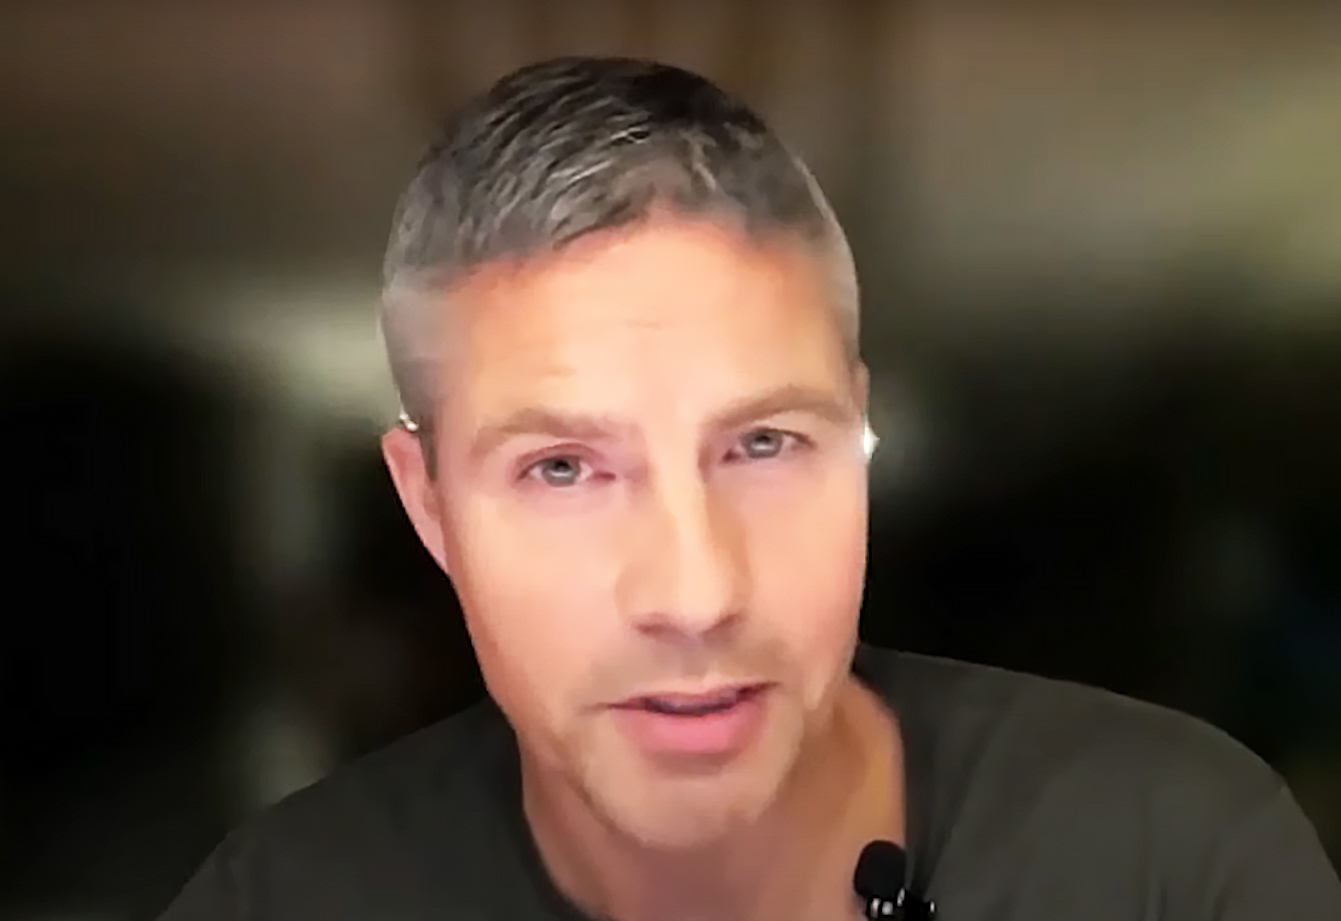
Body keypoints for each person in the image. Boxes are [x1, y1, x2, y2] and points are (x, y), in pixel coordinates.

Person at [158, 56, 1340, 921]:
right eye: (563, 469)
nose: (696, 593)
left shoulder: (1174, 860)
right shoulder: (280, 902)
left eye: (765, 445)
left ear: (859, 437)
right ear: (429, 509)